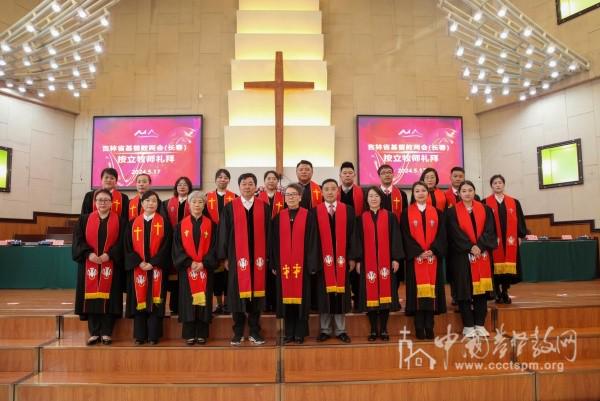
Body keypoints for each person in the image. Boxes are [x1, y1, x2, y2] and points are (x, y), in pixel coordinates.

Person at [217, 173, 270, 346]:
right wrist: (224, 256)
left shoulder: (264, 207)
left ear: (256, 187)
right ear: (239, 187)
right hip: (237, 259)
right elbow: (223, 233)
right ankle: (238, 332)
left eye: (250, 184)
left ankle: (255, 331)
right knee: (236, 295)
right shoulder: (230, 207)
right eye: (244, 184)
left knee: (256, 295)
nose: (247, 187)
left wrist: (268, 255)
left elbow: (270, 234)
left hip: (258, 260)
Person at [446, 181, 497, 338]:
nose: (467, 193)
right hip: (462, 257)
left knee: (480, 291)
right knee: (464, 291)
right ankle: (468, 326)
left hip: (481, 256)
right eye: (464, 191)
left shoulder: (486, 209)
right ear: (459, 194)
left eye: (470, 190)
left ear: (474, 192)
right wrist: (470, 247)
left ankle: (480, 324)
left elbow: (490, 230)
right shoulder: (452, 212)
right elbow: (454, 233)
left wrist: (479, 246)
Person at [72, 189, 123, 346]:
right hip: (90, 264)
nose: (102, 203)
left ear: (111, 202)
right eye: (99, 200)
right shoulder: (84, 220)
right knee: (92, 298)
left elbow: (122, 243)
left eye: (106, 200)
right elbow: (78, 241)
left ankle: (107, 332)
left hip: (111, 264)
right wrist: (89, 254)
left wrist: (109, 255)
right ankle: (94, 332)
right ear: (94, 202)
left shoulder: (120, 220)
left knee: (110, 298)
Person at [353, 187, 404, 342]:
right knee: (370, 297)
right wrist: (359, 260)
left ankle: (384, 329)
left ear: (381, 199)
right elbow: (357, 242)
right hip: (368, 265)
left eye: (376, 196)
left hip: (385, 264)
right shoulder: (360, 218)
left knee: (385, 297)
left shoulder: (390, 217)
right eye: (370, 196)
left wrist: (396, 258)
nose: (373, 198)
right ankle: (374, 330)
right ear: (366, 200)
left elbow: (396, 238)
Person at [270, 183, 316, 344]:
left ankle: (300, 333)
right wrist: (274, 264)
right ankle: (288, 333)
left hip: (301, 267)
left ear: (300, 197)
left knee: (301, 301)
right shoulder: (278, 217)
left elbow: (312, 242)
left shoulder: (308, 216)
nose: (290, 197)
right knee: (286, 301)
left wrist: (311, 264)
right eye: (288, 195)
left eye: (294, 194)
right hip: (283, 268)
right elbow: (273, 244)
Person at [124, 191, 172, 345]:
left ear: (158, 204)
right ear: (142, 203)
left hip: (157, 269)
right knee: (140, 300)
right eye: (148, 201)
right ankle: (140, 336)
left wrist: (153, 262)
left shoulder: (164, 222)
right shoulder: (132, 223)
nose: (151, 203)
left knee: (156, 302)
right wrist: (139, 262)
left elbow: (167, 246)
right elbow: (127, 247)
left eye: (154, 201)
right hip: (138, 270)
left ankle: (153, 336)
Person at [401, 182, 447, 340]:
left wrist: (433, 250)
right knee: (417, 295)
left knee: (431, 294)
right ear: (413, 194)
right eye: (417, 191)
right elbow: (405, 236)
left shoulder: (438, 213)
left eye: (423, 191)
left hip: (433, 258)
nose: (420, 193)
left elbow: (442, 235)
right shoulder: (406, 213)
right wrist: (419, 252)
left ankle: (430, 326)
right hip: (416, 260)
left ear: (428, 193)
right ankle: (419, 326)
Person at [172, 191, 217, 345]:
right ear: (189, 205)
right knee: (188, 301)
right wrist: (189, 262)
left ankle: (202, 333)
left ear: (204, 205)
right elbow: (177, 248)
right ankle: (190, 333)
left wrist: (204, 263)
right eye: (194, 202)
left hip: (205, 269)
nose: (197, 205)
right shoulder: (180, 226)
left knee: (203, 301)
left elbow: (214, 248)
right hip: (187, 270)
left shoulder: (211, 225)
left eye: (200, 202)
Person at [314, 179, 355, 343]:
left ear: (337, 192)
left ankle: (340, 330)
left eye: (333, 189)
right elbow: (313, 240)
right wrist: (315, 261)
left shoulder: (348, 211)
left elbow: (353, 236)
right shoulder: (315, 212)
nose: (330, 192)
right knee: (325, 295)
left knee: (340, 294)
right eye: (326, 189)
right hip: (323, 262)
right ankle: (324, 329)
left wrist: (352, 258)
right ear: (322, 192)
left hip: (342, 261)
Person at [485, 174, 527, 304]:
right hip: (494, 240)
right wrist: (489, 239)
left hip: (510, 240)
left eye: (500, 183)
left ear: (504, 185)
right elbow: (484, 223)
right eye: (495, 183)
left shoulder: (514, 202)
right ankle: (496, 291)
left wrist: (520, 235)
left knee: (508, 268)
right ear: (491, 186)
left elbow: (520, 220)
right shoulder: (485, 202)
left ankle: (505, 291)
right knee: (495, 267)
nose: (498, 185)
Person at [206, 169, 237, 315]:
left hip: (229, 239)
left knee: (228, 273)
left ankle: (227, 303)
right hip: (211, 239)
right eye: (220, 177)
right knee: (216, 275)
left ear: (229, 180)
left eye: (225, 177)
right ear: (215, 180)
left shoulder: (235, 197)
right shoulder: (207, 197)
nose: (222, 180)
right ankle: (218, 304)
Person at [162, 176, 192, 316]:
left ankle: (186, 306)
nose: (182, 187)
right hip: (171, 244)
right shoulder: (166, 203)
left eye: (185, 185)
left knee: (186, 276)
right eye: (179, 184)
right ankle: (174, 305)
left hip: (189, 244)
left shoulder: (194, 203)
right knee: (173, 277)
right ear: (175, 187)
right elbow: (164, 224)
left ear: (189, 188)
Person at [337, 161, 363, 311]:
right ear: (340, 176)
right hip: (338, 236)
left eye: (350, 173)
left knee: (357, 271)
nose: (347, 175)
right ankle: (343, 302)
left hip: (357, 235)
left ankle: (359, 301)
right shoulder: (335, 191)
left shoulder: (362, 193)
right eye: (344, 173)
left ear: (354, 175)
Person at [257, 170, 284, 312]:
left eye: (274, 179)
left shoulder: (284, 197)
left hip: (279, 236)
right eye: (269, 178)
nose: (271, 181)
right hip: (262, 235)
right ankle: (265, 302)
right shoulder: (258, 196)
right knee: (263, 270)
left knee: (275, 269)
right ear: (264, 181)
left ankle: (276, 300)